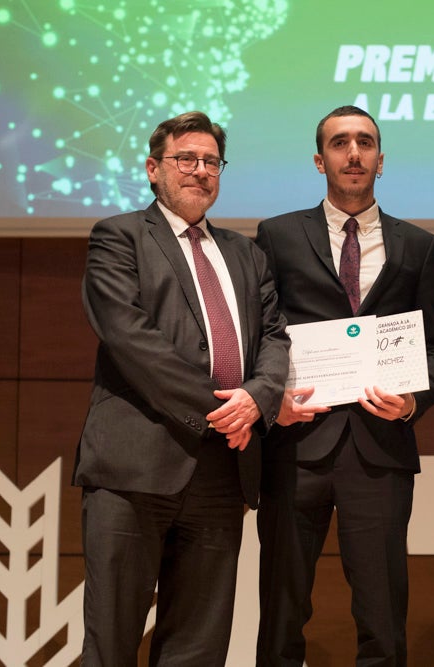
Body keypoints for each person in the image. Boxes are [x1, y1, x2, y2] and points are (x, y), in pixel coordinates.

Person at [74, 111, 290, 665]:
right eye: (185, 159)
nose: (200, 171)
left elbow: (273, 339)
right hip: (134, 467)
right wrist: (221, 409)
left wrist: (258, 400)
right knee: (112, 642)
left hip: (223, 473)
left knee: (198, 649)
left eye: (211, 161)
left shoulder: (247, 253)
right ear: (153, 169)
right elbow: (131, 340)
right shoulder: (119, 237)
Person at [253, 105, 434, 666]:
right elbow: (259, 333)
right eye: (340, 143)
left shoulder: (418, 245)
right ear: (320, 160)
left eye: (365, 143)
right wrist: (271, 400)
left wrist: (413, 401)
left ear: (381, 161)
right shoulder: (277, 235)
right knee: (282, 610)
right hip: (295, 443)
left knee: (383, 617)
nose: (354, 152)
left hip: (379, 449)